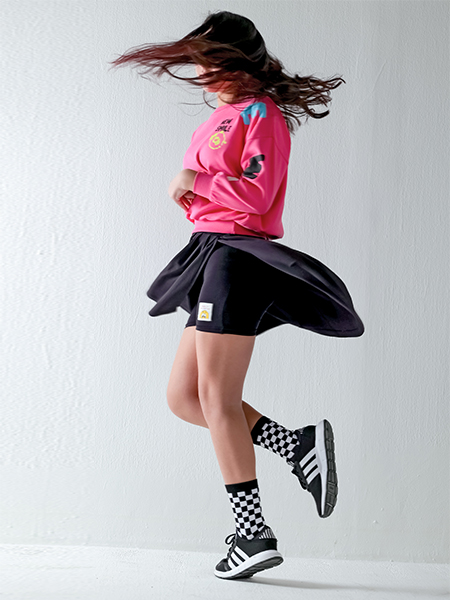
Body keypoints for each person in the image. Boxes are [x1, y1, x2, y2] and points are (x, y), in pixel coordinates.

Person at [110, 10, 364, 580]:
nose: (203, 75)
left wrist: (194, 182)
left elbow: (257, 196)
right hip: (210, 253)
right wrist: (192, 196)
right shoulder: (221, 116)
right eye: (199, 64)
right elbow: (217, 195)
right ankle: (297, 447)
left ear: (241, 61)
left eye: (213, 63)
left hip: (237, 260)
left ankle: (252, 535)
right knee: (185, 397)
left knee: (217, 398)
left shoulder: (261, 115)